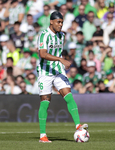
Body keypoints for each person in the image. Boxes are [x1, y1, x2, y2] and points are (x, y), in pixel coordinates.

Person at [37, 11, 88, 143]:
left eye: (62, 22)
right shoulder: (43, 35)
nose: (61, 25)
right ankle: (43, 135)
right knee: (45, 102)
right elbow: (43, 54)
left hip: (58, 70)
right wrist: (60, 59)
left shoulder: (61, 36)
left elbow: (57, 50)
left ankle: (78, 125)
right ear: (51, 22)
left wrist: (60, 62)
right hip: (45, 72)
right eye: (58, 22)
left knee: (68, 95)